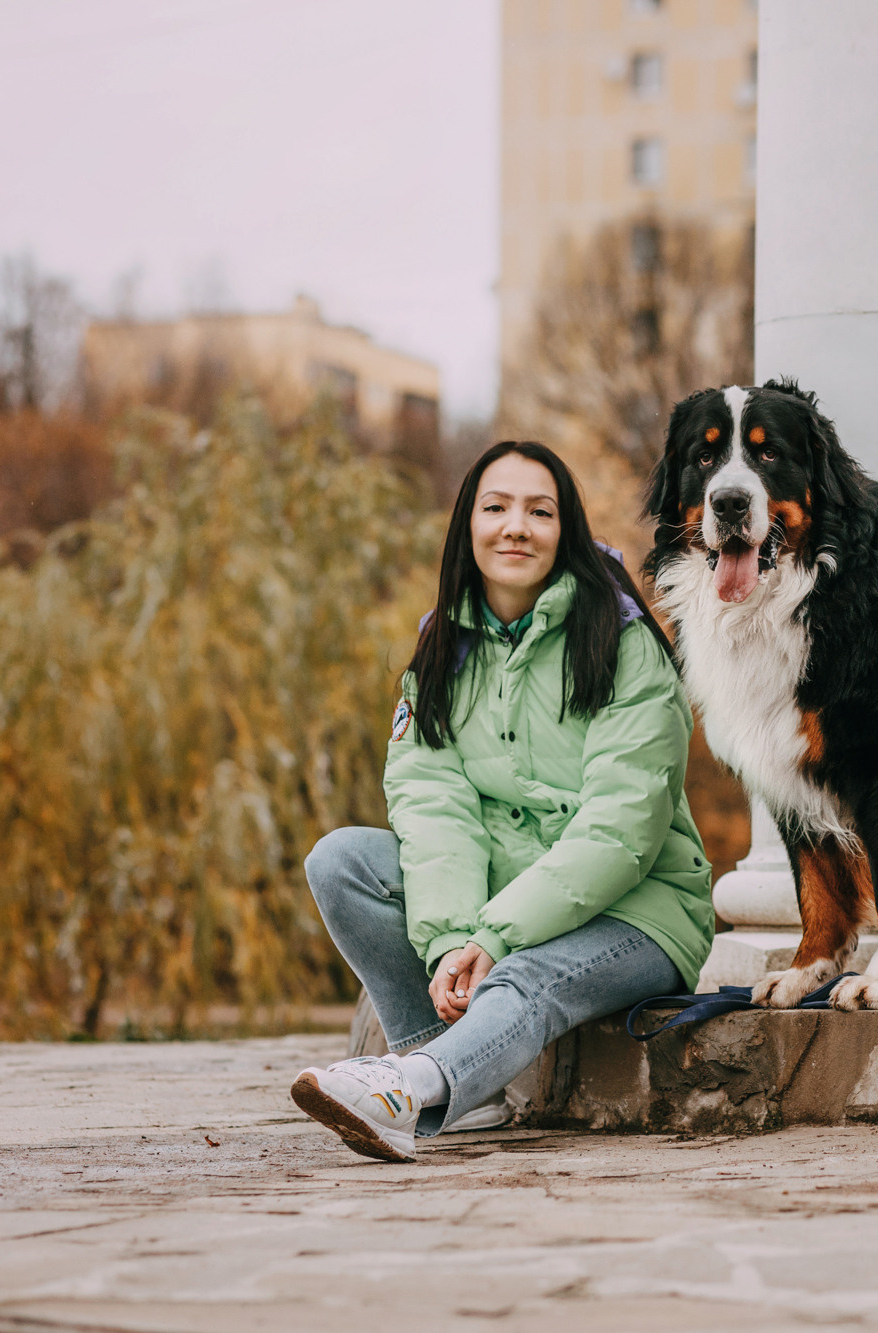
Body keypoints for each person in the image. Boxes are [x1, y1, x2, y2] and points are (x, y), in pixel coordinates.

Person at [292, 440, 714, 1161]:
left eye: (539, 511)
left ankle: (415, 1084)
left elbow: (623, 828)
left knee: (523, 970)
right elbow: (435, 810)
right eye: (496, 507)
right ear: (468, 527)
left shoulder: (623, 640)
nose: (516, 526)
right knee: (342, 861)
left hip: (639, 908)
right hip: (503, 891)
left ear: (565, 530)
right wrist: (455, 937)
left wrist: (496, 935)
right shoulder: (441, 652)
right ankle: (459, 1085)